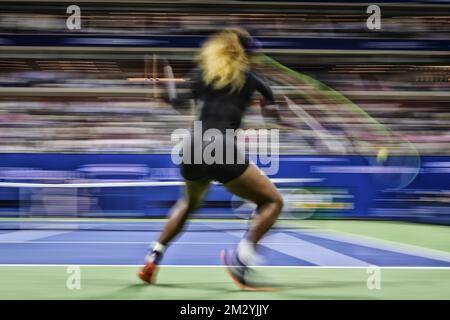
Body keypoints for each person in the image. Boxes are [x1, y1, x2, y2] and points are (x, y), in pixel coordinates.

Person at [139, 28, 285, 290]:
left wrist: (163, 94)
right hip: (221, 147)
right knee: (272, 201)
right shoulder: (250, 77)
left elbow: (178, 103)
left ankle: (154, 254)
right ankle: (240, 259)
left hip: (193, 147)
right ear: (243, 52)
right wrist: (275, 111)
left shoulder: (201, 75)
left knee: (188, 202)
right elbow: (272, 106)